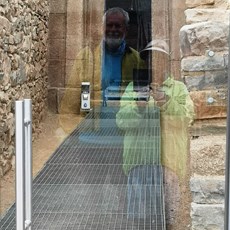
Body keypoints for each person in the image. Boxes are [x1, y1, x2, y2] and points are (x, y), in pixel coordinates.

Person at [116, 39, 195, 228]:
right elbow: (121, 121)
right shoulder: (132, 89)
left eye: (160, 57)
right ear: (147, 61)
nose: (155, 62)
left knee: (171, 219)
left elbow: (187, 118)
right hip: (139, 163)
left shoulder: (179, 89)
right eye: (151, 57)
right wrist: (138, 107)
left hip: (170, 165)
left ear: (167, 62)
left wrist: (166, 102)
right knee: (139, 220)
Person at [60, 7, 146, 113]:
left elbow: (142, 95)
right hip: (93, 122)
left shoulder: (136, 59)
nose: (113, 30)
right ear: (102, 28)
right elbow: (71, 99)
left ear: (126, 30)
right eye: (109, 25)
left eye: (118, 26)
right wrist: (68, 127)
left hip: (124, 123)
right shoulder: (86, 56)